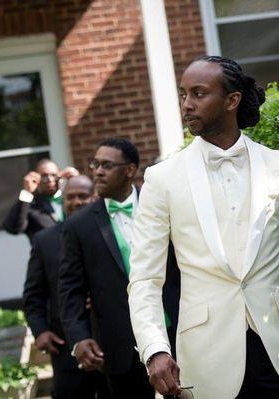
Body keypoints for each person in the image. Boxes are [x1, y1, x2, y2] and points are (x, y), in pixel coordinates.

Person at [128, 56, 279, 399]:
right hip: (206, 364)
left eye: (198, 93)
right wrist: (154, 350)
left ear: (232, 100)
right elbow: (145, 279)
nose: (187, 105)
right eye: (183, 95)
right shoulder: (162, 178)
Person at [58, 138, 180, 399]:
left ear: (130, 170)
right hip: (120, 344)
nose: (98, 171)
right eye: (95, 164)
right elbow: (70, 289)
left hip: (178, 329)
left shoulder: (162, 207)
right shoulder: (78, 226)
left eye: (107, 165)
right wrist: (79, 337)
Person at [23, 175, 110, 399]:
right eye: (70, 197)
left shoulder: (110, 232)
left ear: (95, 197)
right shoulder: (44, 240)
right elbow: (33, 296)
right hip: (66, 350)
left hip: (112, 344)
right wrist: (40, 331)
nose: (76, 202)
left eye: (83, 196)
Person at [2, 159, 79, 242]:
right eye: (44, 176)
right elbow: (13, 228)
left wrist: (78, 183)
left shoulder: (72, 200)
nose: (50, 179)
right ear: (36, 178)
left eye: (54, 175)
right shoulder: (31, 205)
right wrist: (27, 192)